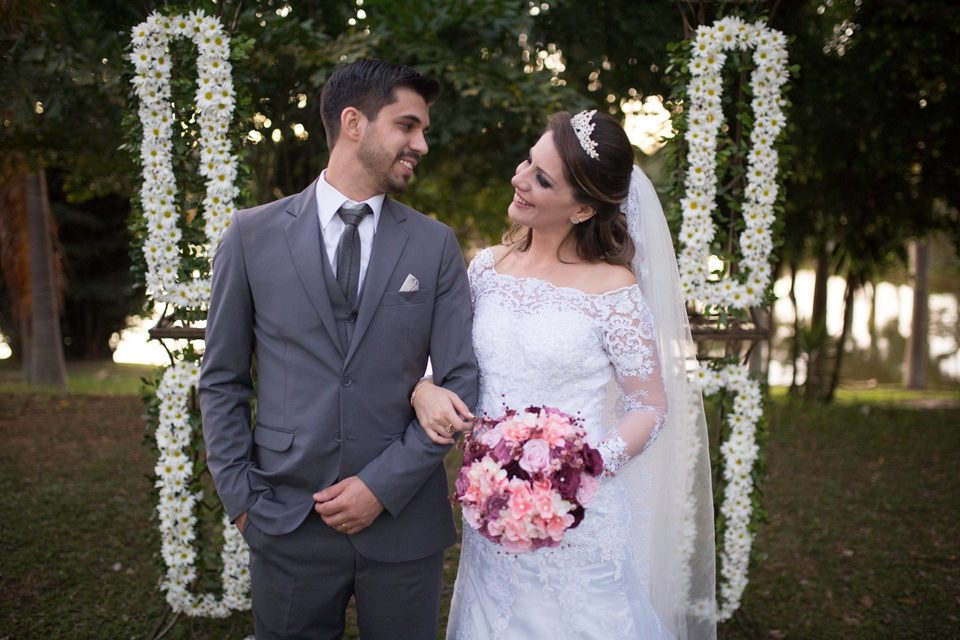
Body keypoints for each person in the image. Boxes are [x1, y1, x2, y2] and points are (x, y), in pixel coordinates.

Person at [199, 59, 479, 640]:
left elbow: (460, 381)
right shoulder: (251, 236)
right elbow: (222, 379)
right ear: (354, 123)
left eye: (423, 130)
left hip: (403, 523)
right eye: (407, 126)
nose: (421, 144)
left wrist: (382, 487)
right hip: (285, 519)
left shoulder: (434, 245)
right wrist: (243, 502)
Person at [412, 110, 717, 639]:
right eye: (527, 162)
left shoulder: (613, 290)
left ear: (582, 208)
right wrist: (423, 389)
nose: (520, 179)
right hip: (492, 508)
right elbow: (446, 364)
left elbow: (649, 405)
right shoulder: (486, 269)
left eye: (542, 179)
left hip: (579, 516)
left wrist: (582, 467)